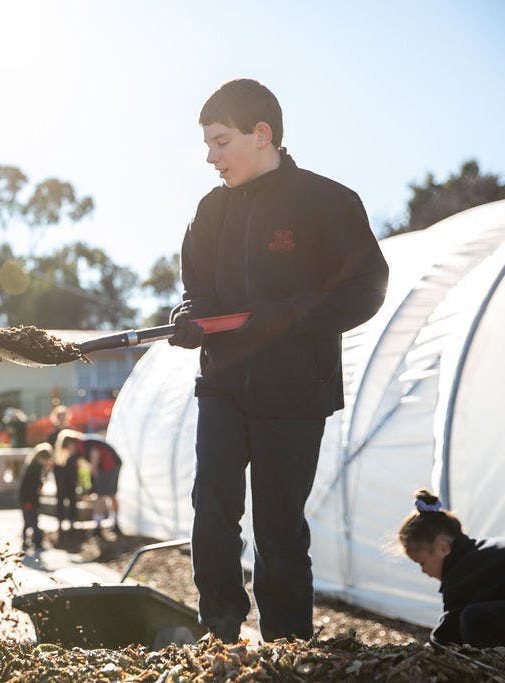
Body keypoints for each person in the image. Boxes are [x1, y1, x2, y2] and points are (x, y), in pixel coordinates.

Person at [167, 78, 389, 643]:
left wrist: (288, 315)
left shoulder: (327, 202)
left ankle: (287, 645)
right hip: (223, 382)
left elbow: (366, 287)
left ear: (261, 135)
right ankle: (218, 634)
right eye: (208, 144)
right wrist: (191, 317)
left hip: (295, 390)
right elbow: (197, 287)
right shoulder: (211, 211)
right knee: (212, 508)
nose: (210, 157)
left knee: (278, 523)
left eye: (221, 142)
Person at [398, 490, 505, 650]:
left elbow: (447, 632)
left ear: (443, 548)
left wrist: (426, 650)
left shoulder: (461, 574)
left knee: (474, 618)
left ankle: (489, 668)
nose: (423, 571)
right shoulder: (476, 553)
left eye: (421, 562)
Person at [57, 430, 123, 538]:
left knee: (101, 496)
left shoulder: (85, 444)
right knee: (108, 495)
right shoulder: (82, 445)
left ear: (70, 444)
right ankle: (112, 523)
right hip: (106, 465)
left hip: (110, 465)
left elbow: (94, 462)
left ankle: (99, 526)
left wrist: (93, 485)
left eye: (68, 448)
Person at [46, 405, 79, 532]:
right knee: (60, 493)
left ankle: (73, 520)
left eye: (63, 415)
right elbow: (49, 452)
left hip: (71, 466)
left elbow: (77, 450)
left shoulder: (72, 432)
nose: (61, 418)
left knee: (72, 493)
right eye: (59, 416)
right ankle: (60, 520)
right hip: (59, 468)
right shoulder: (52, 434)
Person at [18, 444, 53, 553]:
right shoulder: (35, 468)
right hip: (29, 499)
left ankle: (26, 542)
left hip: (26, 498)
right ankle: (37, 542)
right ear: (40, 458)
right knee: (33, 521)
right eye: (46, 460)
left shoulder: (32, 466)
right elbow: (33, 485)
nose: (47, 462)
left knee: (28, 522)